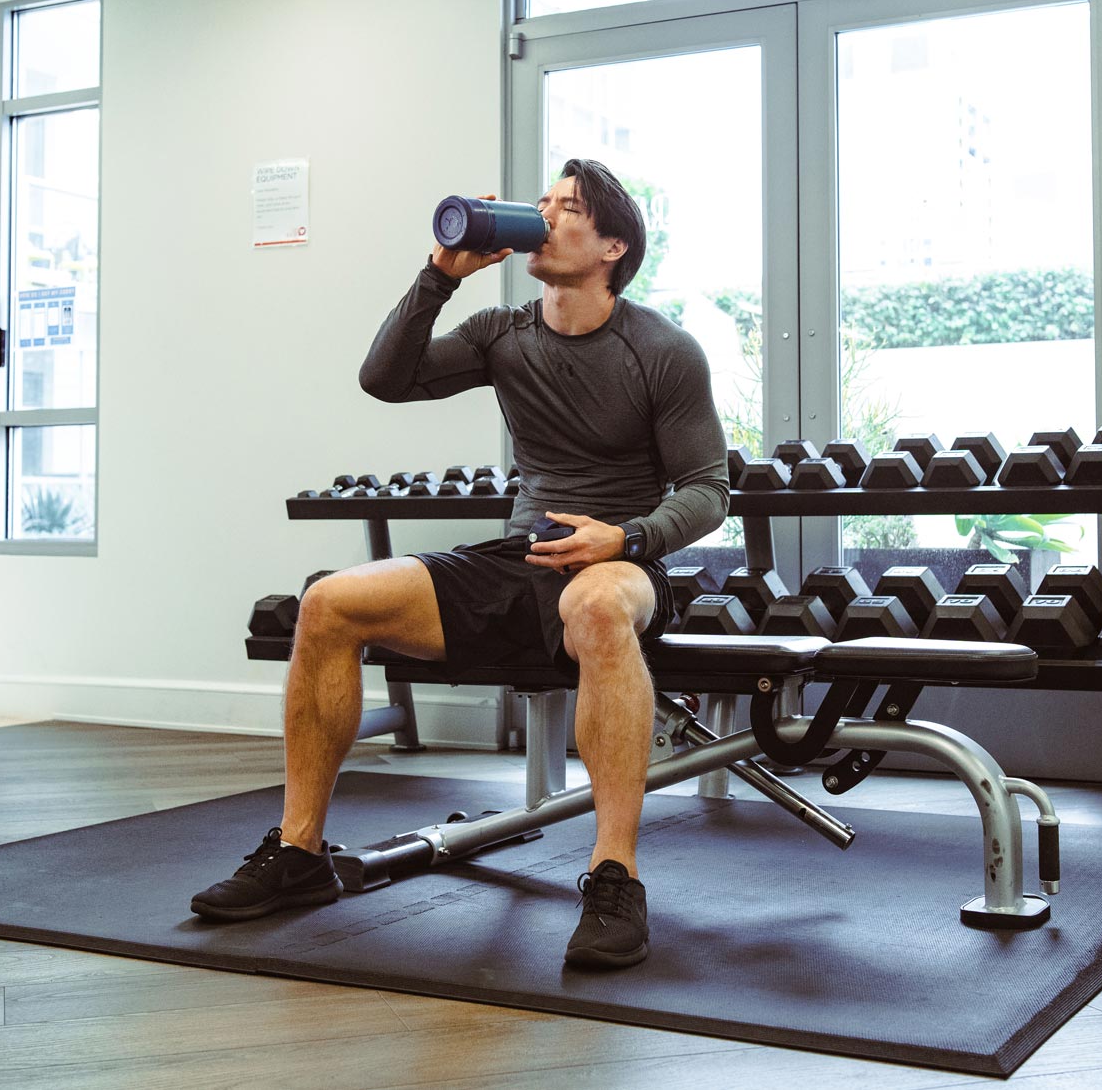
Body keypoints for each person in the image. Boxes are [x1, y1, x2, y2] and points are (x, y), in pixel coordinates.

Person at [192, 157, 728, 968]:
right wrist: (440, 276)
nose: (544, 217)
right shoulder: (501, 334)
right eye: (540, 204)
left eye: (567, 207)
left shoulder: (662, 348)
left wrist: (625, 538)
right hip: (521, 556)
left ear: (614, 243)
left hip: (618, 563)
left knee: (594, 604)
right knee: (328, 601)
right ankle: (299, 853)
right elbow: (385, 378)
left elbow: (708, 489)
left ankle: (614, 875)